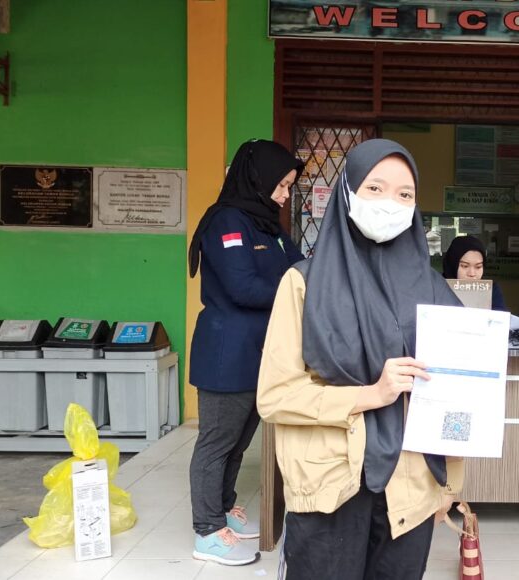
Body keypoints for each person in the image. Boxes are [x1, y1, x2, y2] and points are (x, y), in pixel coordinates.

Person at [258, 139, 463, 580]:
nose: (390, 203)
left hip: (411, 487)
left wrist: (450, 485)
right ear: (347, 193)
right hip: (331, 483)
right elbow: (275, 396)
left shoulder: (433, 290)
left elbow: (456, 394)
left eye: (405, 194)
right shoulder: (303, 284)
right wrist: (372, 394)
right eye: (375, 188)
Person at [187, 139, 305, 566]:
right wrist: (297, 290)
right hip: (227, 352)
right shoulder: (227, 222)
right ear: (259, 177)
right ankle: (206, 531)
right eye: (282, 185)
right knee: (217, 442)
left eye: (289, 186)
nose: (285, 194)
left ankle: (222, 511)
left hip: (261, 354)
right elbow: (243, 288)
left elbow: (300, 266)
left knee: (238, 443)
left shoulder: (267, 225)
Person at [442, 235, 508, 311]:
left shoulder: (492, 291)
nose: (472, 274)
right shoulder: (437, 287)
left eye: (478, 267)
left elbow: (500, 316)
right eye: (465, 266)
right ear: (452, 265)